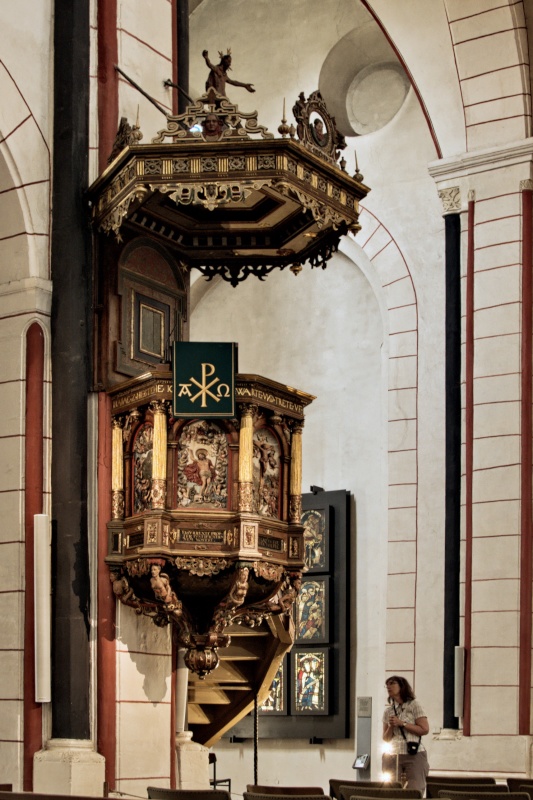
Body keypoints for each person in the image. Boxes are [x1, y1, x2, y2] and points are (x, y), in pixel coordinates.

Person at [382, 675, 429, 792]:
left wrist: (402, 723)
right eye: (387, 685)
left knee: (415, 789)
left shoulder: (414, 705)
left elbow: (424, 729)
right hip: (393, 754)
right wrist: (391, 726)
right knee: (391, 790)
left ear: (402, 686)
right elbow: (386, 738)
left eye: (392, 683)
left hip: (413, 753)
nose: (389, 687)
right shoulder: (388, 711)